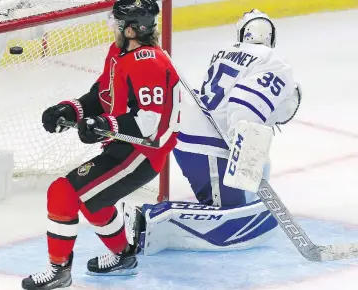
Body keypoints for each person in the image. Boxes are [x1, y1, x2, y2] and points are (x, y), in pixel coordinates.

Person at [21, 0, 181, 289]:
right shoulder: (120, 53)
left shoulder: (149, 63)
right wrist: (71, 110)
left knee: (63, 193)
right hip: (123, 147)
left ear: (131, 29)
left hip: (142, 154)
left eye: (117, 21)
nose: (112, 25)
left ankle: (59, 270)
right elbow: (103, 95)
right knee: (96, 203)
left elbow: (149, 126)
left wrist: (107, 126)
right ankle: (123, 256)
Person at [123, 9, 302, 256]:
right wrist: (243, 156)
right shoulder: (274, 61)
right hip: (208, 147)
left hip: (192, 135)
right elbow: (244, 109)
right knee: (230, 216)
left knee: (257, 167)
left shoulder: (227, 51)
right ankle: (150, 218)